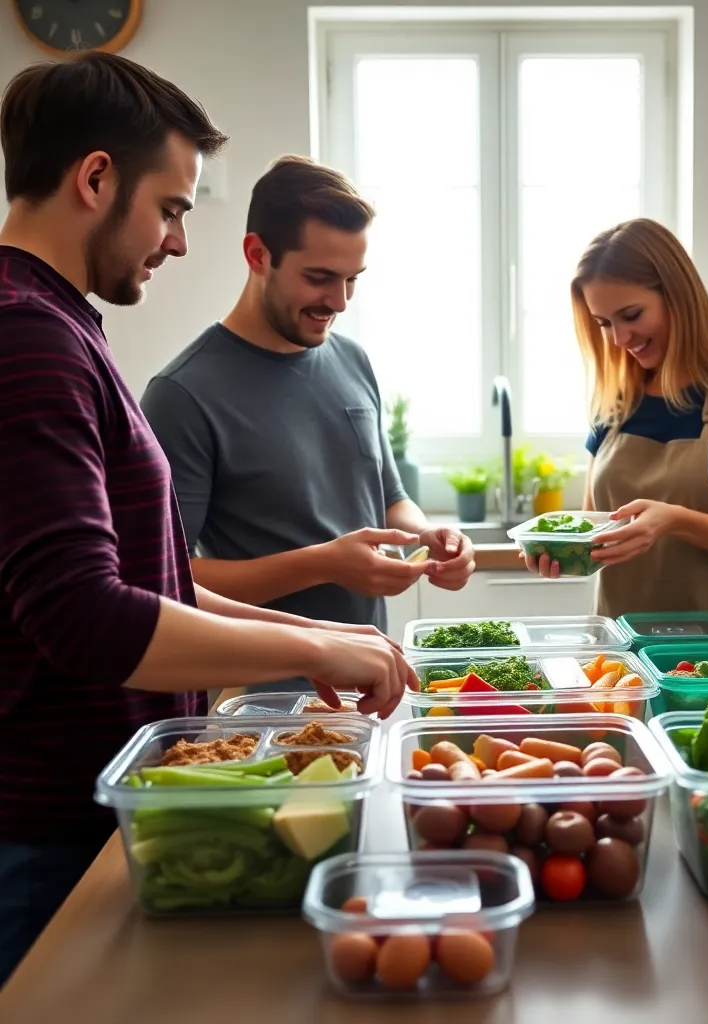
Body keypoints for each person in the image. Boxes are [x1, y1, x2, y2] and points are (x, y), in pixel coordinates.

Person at [0, 54, 413, 986]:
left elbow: (155, 582)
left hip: (108, 811)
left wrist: (316, 634)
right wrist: (313, 650)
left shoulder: (60, 326)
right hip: (49, 835)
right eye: (173, 206)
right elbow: (85, 616)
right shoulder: (25, 336)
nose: (179, 240)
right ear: (96, 178)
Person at [140, 156, 474, 681]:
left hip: (368, 680)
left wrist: (430, 538)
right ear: (258, 255)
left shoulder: (353, 360)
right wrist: (325, 563)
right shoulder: (183, 394)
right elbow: (168, 581)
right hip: (260, 700)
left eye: (352, 280)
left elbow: (389, 497)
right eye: (319, 278)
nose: (337, 301)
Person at [523, 218, 708, 639]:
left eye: (631, 315)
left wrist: (676, 521)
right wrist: (559, 551)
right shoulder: (615, 398)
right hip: (621, 653)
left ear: (677, 295)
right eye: (603, 323)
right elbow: (597, 523)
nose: (619, 338)